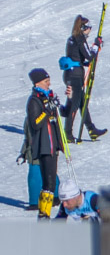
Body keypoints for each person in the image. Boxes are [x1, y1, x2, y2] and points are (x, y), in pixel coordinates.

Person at [24, 68, 63, 217]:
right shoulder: (34, 100)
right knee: (49, 184)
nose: (49, 84)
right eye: (46, 81)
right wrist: (47, 110)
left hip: (52, 144)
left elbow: (59, 114)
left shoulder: (46, 97)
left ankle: (44, 213)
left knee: (50, 184)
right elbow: (35, 123)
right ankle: (43, 214)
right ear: (38, 82)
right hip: (44, 145)